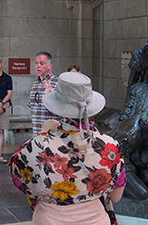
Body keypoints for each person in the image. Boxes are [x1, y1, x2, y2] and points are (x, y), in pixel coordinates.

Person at [9, 72, 125, 225]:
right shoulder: (110, 145)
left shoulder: (38, 145)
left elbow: (18, 176)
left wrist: (44, 133)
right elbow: (116, 197)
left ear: (58, 105)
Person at [28, 51, 60, 135]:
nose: (38, 66)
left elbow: (64, 109)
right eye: (36, 63)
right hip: (36, 133)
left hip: (52, 135)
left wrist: (51, 98)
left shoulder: (57, 83)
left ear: (49, 66)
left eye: (41, 63)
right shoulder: (35, 84)